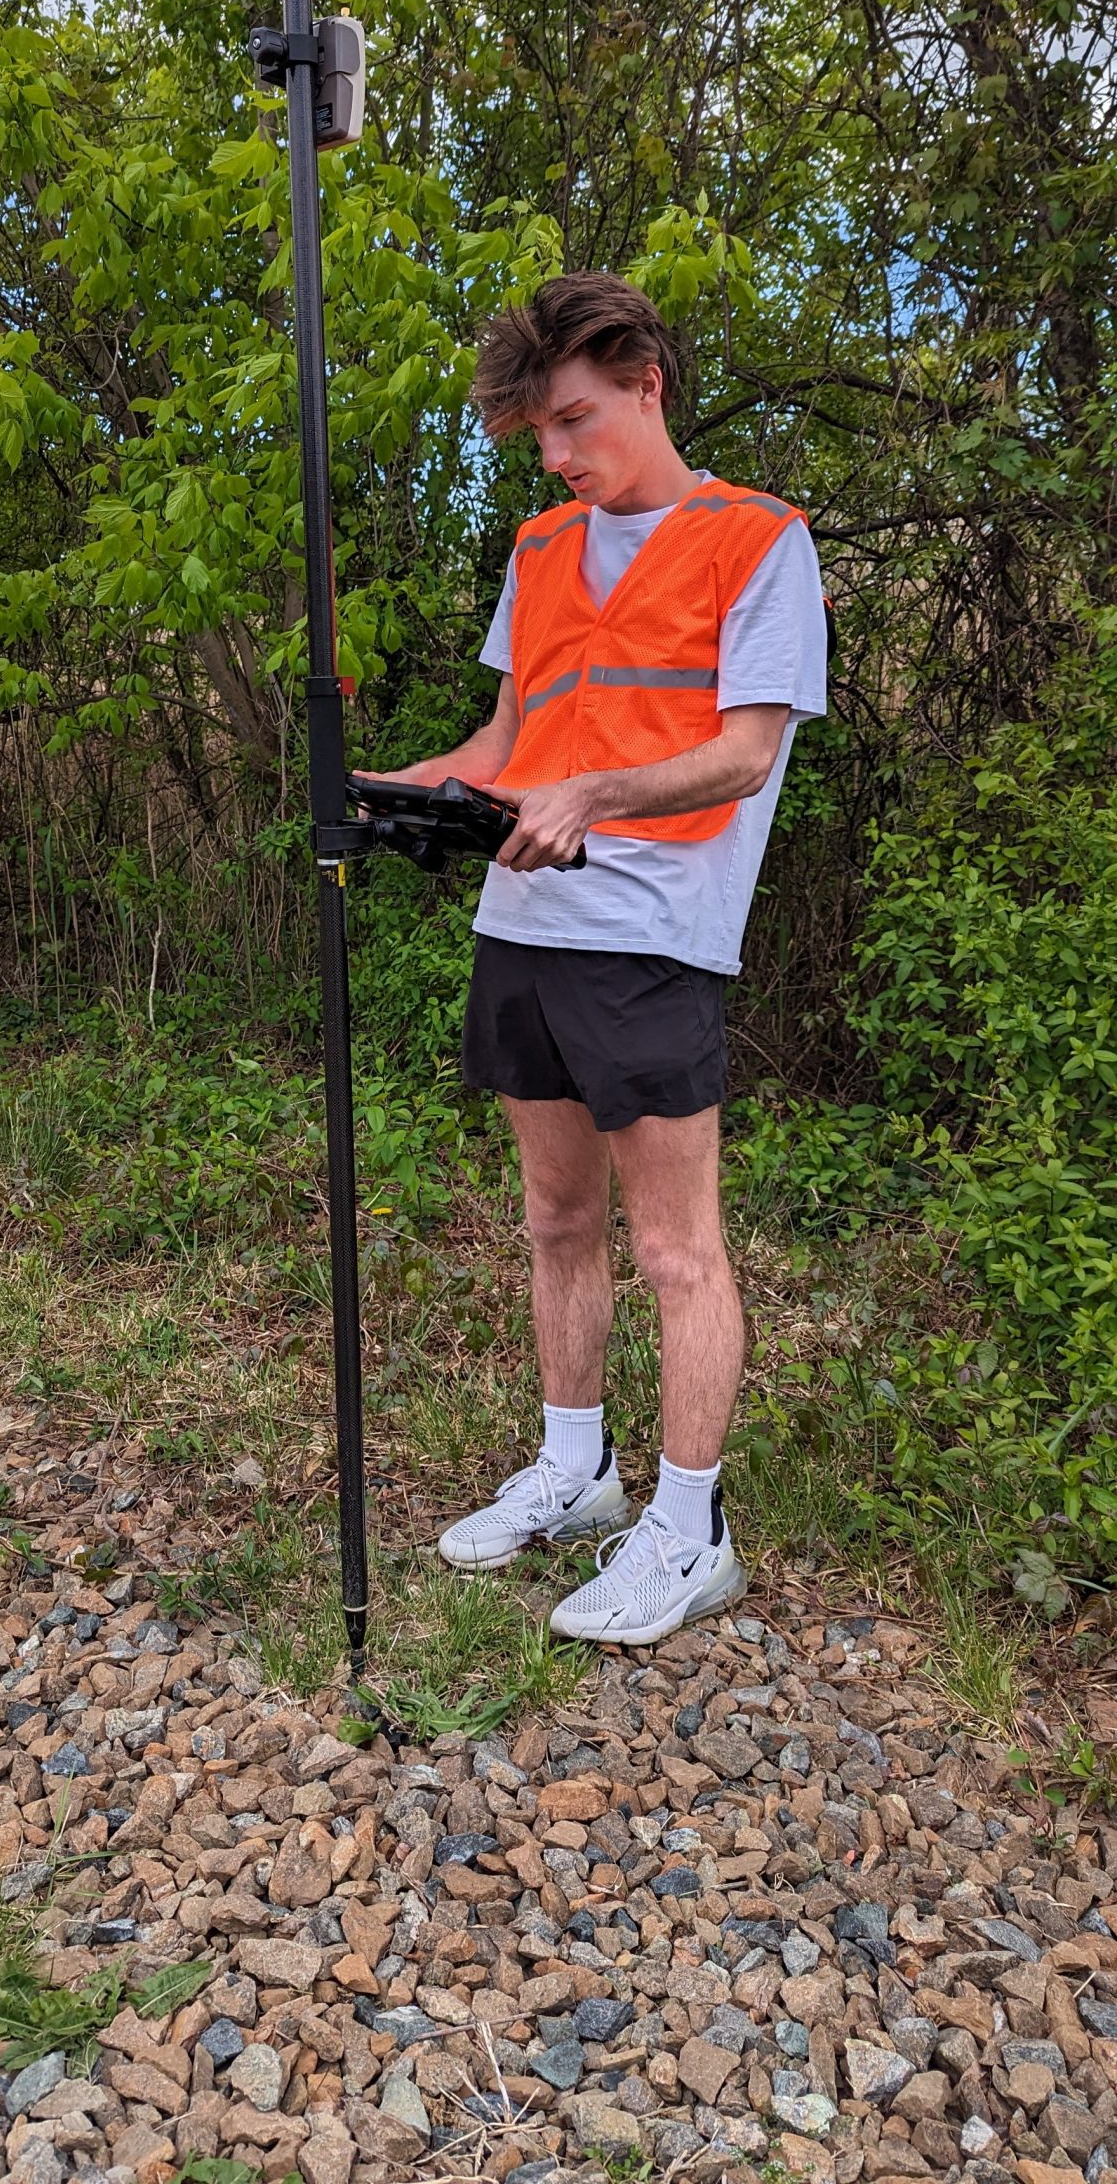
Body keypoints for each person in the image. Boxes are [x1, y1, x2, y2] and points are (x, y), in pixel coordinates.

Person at [362, 271, 827, 1647]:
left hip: (651, 935)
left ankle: (691, 1528)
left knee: (678, 1248)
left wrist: (596, 801)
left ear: (646, 385)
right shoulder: (540, 552)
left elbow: (746, 752)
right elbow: (507, 745)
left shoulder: (758, 541)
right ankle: (577, 1472)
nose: (558, 458)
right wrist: (394, 792)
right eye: (537, 438)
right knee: (557, 1222)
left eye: (574, 421)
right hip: (523, 925)